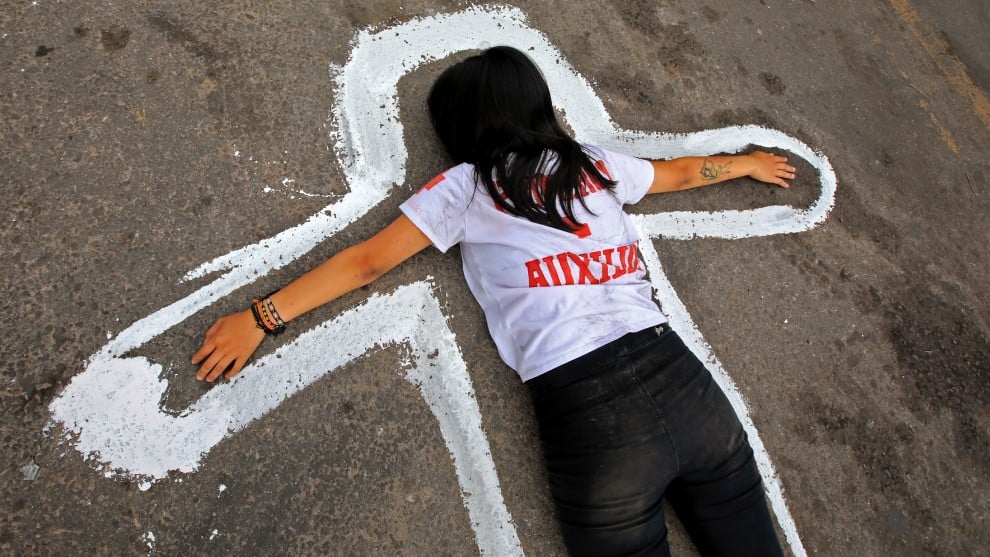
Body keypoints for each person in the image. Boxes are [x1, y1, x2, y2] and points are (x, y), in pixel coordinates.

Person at [193, 46, 794, 556]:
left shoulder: (469, 185)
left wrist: (260, 317)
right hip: (689, 391)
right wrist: (747, 165)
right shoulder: (592, 164)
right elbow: (683, 174)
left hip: (593, 420)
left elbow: (369, 262)